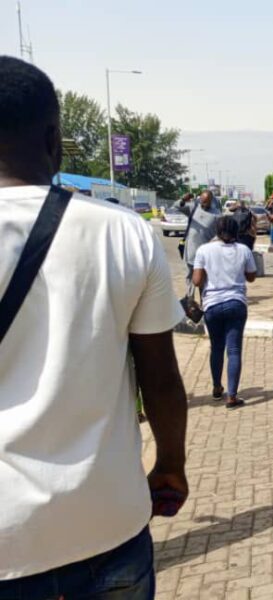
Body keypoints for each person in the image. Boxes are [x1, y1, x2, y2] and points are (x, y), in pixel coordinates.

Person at [0, 56, 188, 597]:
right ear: (55, 139)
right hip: (107, 524)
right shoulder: (123, 235)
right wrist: (170, 465)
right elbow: (161, 381)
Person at [192, 216, 257, 409]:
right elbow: (251, 277)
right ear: (236, 231)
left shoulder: (203, 250)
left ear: (217, 231)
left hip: (212, 304)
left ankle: (216, 387)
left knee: (216, 348)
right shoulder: (244, 250)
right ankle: (232, 396)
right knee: (234, 350)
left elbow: (196, 281)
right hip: (236, 303)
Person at [173, 189, 221, 284]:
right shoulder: (193, 207)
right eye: (201, 200)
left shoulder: (217, 214)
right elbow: (176, 206)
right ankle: (189, 297)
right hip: (191, 248)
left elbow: (221, 231)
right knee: (190, 273)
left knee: (204, 275)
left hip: (206, 250)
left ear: (211, 201)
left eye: (205, 201)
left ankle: (204, 297)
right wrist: (183, 199)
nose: (202, 203)